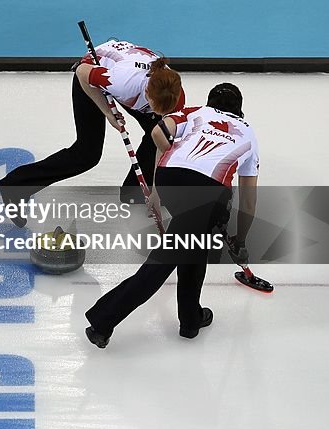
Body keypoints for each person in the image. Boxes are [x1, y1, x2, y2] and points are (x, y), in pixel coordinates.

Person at [84, 83, 259, 347]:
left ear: (211, 103)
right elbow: (248, 198)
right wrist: (241, 238)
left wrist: (157, 189)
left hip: (170, 180)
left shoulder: (194, 112)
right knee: (161, 264)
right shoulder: (248, 133)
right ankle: (103, 320)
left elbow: (157, 131)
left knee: (193, 243)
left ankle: (191, 319)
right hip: (208, 194)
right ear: (240, 109)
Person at [0, 40, 184, 225]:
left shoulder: (175, 96)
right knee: (87, 154)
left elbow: (163, 141)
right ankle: (16, 185)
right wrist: (108, 113)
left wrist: (156, 193)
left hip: (122, 71)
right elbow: (81, 72)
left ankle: (134, 191)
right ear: (147, 94)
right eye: (153, 108)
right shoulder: (121, 83)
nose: (157, 114)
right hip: (91, 74)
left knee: (159, 132)